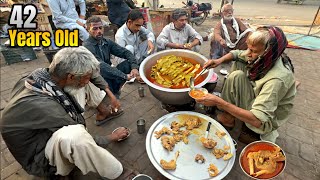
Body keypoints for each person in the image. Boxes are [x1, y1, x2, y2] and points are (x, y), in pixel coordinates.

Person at [0, 47, 131, 179]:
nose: (87, 80)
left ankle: (102, 113)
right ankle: (119, 174)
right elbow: (82, 139)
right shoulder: (44, 106)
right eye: (86, 77)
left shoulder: (42, 77)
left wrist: (110, 94)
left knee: (83, 86)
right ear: (71, 76)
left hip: (40, 129)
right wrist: (110, 138)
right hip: (38, 159)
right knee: (75, 137)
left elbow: (92, 76)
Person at [197, 26, 296, 143]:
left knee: (235, 77)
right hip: (257, 95)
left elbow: (257, 120)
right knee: (237, 73)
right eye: (249, 49)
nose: (248, 53)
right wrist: (218, 61)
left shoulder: (277, 80)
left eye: (253, 51)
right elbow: (237, 54)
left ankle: (230, 116)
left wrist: (219, 102)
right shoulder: (268, 58)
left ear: (268, 52)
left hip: (265, 121)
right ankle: (229, 116)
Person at [84, 16, 139, 96]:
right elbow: (101, 66)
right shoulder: (87, 46)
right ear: (88, 30)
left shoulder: (106, 42)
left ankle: (116, 88)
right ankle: (111, 92)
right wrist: (124, 76)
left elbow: (126, 52)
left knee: (127, 64)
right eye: (95, 29)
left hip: (109, 73)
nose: (99, 31)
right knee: (109, 89)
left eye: (100, 28)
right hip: (98, 77)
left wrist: (134, 67)